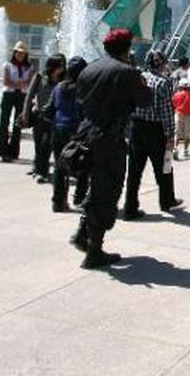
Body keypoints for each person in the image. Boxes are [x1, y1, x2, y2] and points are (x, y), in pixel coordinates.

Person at [69, 29, 153, 269]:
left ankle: (83, 235)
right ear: (127, 49)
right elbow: (145, 101)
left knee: (94, 188)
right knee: (108, 192)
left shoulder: (89, 69)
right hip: (110, 139)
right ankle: (94, 250)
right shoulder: (127, 72)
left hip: (86, 135)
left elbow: (82, 99)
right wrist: (140, 82)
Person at [123, 49, 183, 219]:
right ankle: (167, 200)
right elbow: (166, 112)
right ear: (161, 64)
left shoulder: (139, 78)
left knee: (134, 170)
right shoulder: (163, 83)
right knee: (165, 166)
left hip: (136, 127)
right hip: (156, 130)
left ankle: (130, 207)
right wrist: (171, 135)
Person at [49, 56, 87, 212]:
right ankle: (80, 197)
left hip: (58, 129)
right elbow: (84, 111)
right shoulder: (82, 89)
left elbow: (51, 107)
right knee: (83, 166)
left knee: (59, 167)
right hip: (75, 131)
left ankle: (58, 202)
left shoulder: (59, 87)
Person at [22, 53, 65, 183]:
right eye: (60, 65)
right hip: (39, 116)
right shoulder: (40, 77)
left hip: (54, 118)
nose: (62, 68)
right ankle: (37, 167)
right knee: (38, 143)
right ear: (52, 66)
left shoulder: (64, 80)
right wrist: (25, 113)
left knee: (46, 145)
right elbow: (29, 96)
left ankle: (42, 171)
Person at [0, 41, 33, 162]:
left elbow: (31, 81)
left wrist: (20, 85)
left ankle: (13, 153)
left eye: (22, 53)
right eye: (18, 52)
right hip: (9, 94)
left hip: (22, 96)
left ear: (25, 54)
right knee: (4, 122)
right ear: (14, 53)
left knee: (18, 124)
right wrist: (20, 84)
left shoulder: (29, 67)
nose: (20, 55)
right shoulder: (8, 65)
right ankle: (2, 151)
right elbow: (6, 81)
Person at [172, 81, 190, 160]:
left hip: (178, 114)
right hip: (188, 115)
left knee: (176, 133)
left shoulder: (177, 94)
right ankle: (185, 151)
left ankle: (175, 149)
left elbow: (174, 104)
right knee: (187, 135)